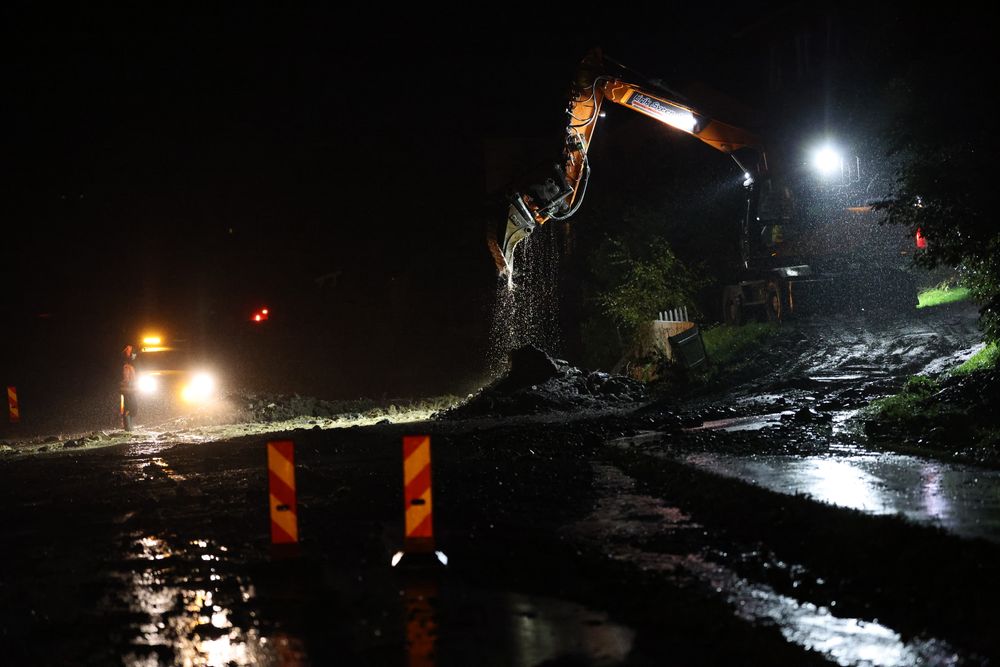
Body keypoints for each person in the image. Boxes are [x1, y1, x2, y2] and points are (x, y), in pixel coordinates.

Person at [121, 344, 137, 431]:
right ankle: (128, 428)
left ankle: (130, 427)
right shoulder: (126, 366)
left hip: (131, 391)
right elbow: (126, 380)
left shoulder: (129, 366)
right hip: (128, 391)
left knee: (133, 408)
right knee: (129, 409)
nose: (134, 355)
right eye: (132, 353)